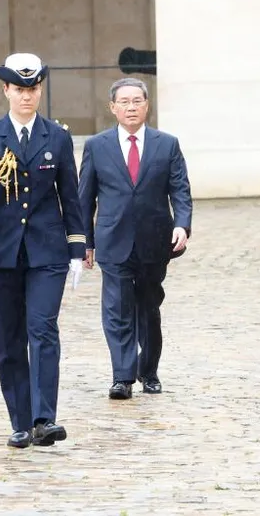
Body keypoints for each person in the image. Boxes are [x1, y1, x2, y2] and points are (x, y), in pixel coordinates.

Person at [0, 53, 85, 449]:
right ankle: (20, 420)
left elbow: (71, 196)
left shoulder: (58, 137)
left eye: (32, 89)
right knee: (9, 336)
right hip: (0, 252)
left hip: (47, 251)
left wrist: (78, 248)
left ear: (40, 91)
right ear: (6, 90)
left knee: (42, 329)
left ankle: (44, 417)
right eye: (19, 89)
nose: (26, 96)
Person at [78, 77, 192, 399]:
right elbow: (84, 198)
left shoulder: (166, 144)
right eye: (124, 102)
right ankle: (122, 377)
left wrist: (182, 225)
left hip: (154, 241)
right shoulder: (97, 147)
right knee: (116, 308)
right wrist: (84, 241)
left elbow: (180, 190)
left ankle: (149, 370)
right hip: (113, 241)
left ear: (147, 105)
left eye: (137, 101)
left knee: (148, 308)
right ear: (112, 107)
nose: (131, 107)